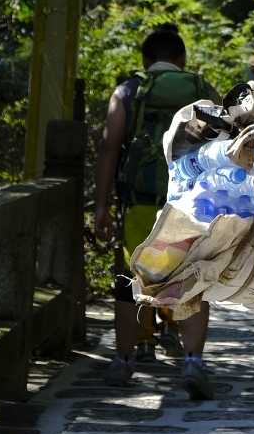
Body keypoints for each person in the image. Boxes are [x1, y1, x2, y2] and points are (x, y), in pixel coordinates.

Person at [93, 23, 217, 399]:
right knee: (192, 278)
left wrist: (101, 205)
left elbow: (110, 147)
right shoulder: (201, 91)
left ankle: (125, 359)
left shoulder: (128, 91)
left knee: (131, 279)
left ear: (145, 60)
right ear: (181, 59)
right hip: (191, 204)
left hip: (140, 203)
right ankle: (193, 360)